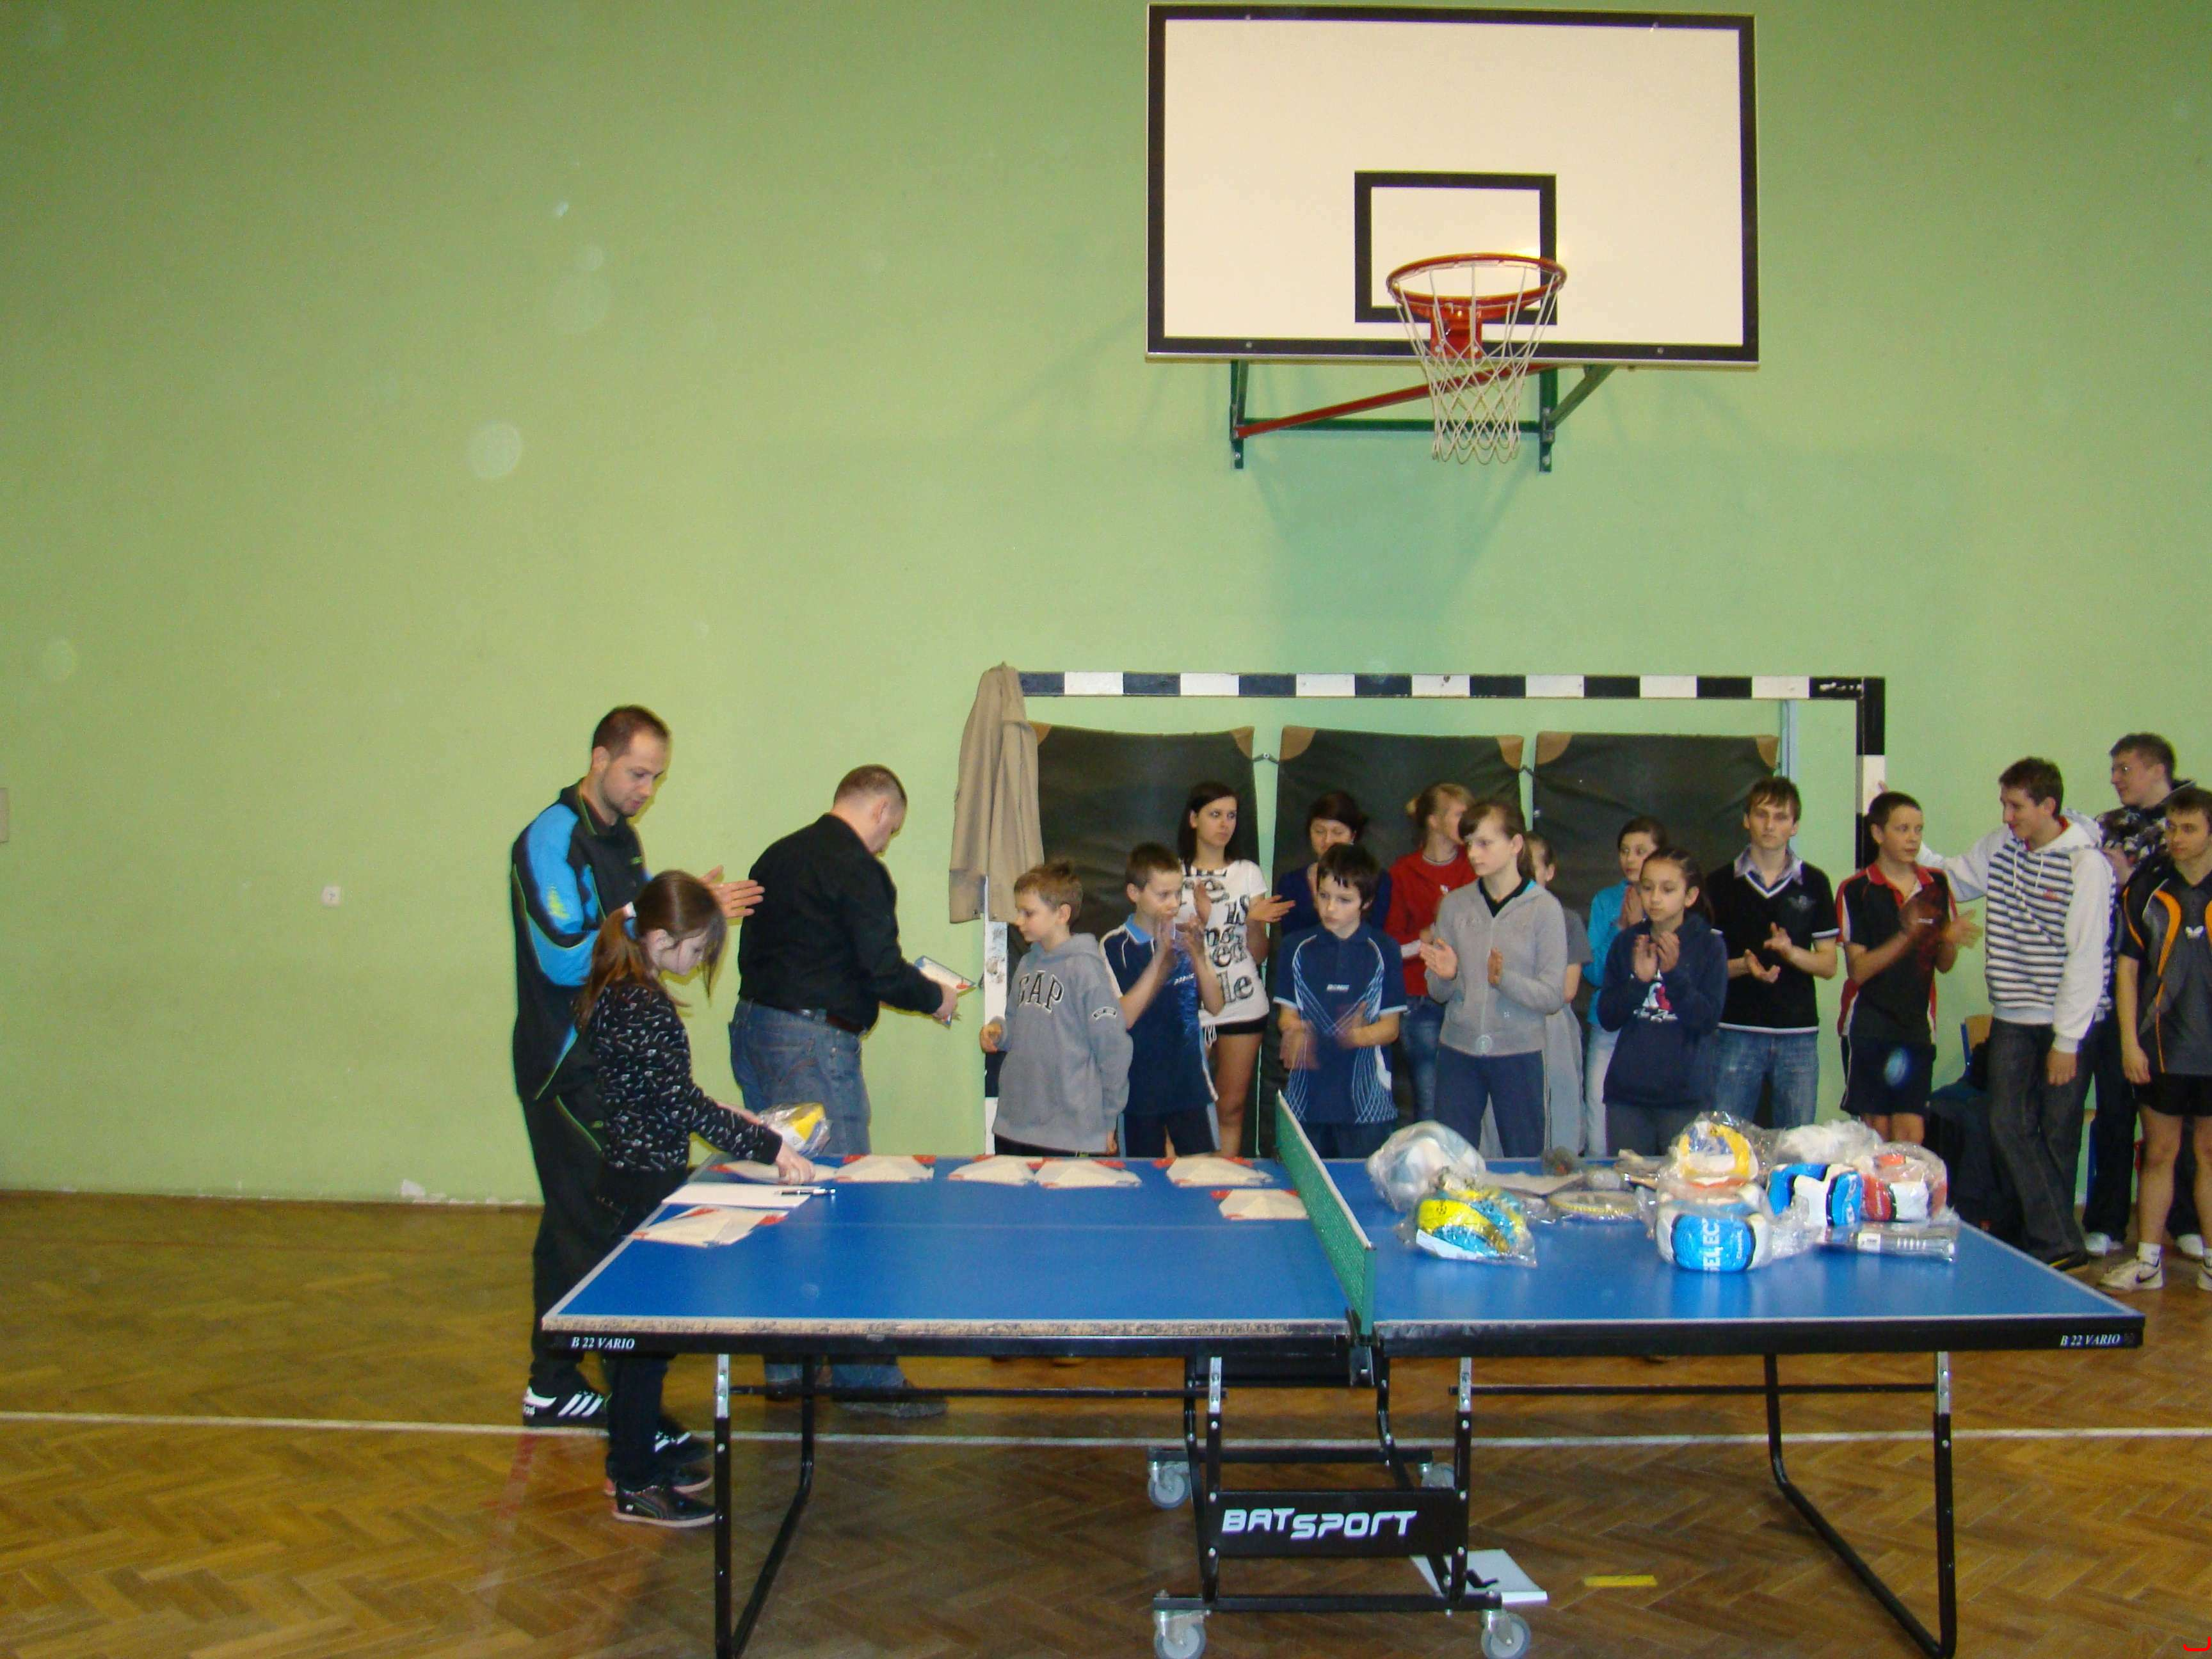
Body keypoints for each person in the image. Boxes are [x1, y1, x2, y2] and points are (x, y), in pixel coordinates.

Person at [509, 705, 758, 1429]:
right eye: (638, 774)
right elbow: (563, 956)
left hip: (609, 1061)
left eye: (656, 778)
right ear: (600, 759)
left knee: (580, 1218)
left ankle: (564, 1384)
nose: (647, 790)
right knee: (598, 1222)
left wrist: (679, 918)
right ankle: (615, 1413)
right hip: (566, 1068)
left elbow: (635, 937)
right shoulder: (550, 838)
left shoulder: (625, 838)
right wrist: (655, 920)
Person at [577, 871, 815, 1526]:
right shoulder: (641, 1005)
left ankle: (633, 1459)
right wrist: (767, 1146)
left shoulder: (625, 990)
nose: (702, 959)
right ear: (661, 940)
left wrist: (734, 1115)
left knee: (643, 1347)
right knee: (644, 1348)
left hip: (636, 1179)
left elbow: (665, 1094)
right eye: (699, 948)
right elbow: (679, 1104)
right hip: (640, 1189)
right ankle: (633, 1481)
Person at [730, 764, 959, 1416]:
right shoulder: (859, 869)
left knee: (785, 1200)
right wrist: (936, 997)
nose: (886, 843)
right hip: (812, 1047)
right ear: (881, 809)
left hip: (755, 1031)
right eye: (892, 829)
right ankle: (864, 1379)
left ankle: (789, 1366)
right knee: (843, 1205)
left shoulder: (779, 854)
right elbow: (881, 970)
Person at [1930, 758, 2112, 1269]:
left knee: (2057, 1134)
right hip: (2012, 1015)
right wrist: (1907, 847)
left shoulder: (2086, 865)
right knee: (2007, 1122)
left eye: (2016, 807)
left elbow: (2086, 957)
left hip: (2066, 1022)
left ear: (2048, 806)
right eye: (2004, 805)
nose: (2007, 817)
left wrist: (2067, 1041)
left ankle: (2047, 1245)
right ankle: (2057, 1241)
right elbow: (1952, 878)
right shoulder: (2001, 847)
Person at [2082, 733, 2200, 1261]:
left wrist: (2129, 879)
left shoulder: (2194, 821)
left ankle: (2185, 1222)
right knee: (2115, 1109)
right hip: (2122, 995)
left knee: (2187, 1124)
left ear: (2158, 770)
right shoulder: (2108, 828)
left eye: (2125, 769)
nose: (2115, 778)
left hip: (2184, 1004)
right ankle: (2108, 1222)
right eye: (2114, 769)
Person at [2101, 786, 2212, 1293]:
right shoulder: (2147, 886)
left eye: (2189, 829)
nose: (2177, 838)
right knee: (2159, 1152)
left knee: (2209, 1155)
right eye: (2172, 828)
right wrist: (2129, 1042)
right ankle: (2148, 1263)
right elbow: (2126, 971)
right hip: (2160, 1046)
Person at [1418, 799, 1568, 1158]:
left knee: (1524, 1158)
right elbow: (1438, 991)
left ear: (1515, 844)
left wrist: (1504, 980)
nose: (1473, 853)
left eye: (1485, 843)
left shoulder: (1544, 908)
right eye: (1470, 843)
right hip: (1458, 1051)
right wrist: (1447, 975)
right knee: (1453, 1160)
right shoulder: (1455, 905)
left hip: (1518, 1053)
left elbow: (1552, 996)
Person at [1836, 792, 1979, 1143]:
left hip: (1916, 1025)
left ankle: (1910, 1184)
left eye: (1918, 830)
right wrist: (1906, 935)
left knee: (1911, 1133)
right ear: (1878, 833)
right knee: (1877, 1133)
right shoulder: (1856, 890)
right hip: (1869, 1023)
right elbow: (1858, 971)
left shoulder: (1937, 885)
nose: (1913, 838)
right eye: (1902, 829)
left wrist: (1949, 940)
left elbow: (1944, 965)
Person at [1705, 778, 1839, 1130]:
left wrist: (1791, 953)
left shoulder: (1815, 882)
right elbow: (1707, 968)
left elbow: (1828, 965)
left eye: (1780, 817)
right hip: (1735, 1030)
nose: (1769, 825)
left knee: (1796, 1144)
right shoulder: (1719, 883)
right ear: (1746, 819)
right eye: (1761, 815)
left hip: (1797, 1034)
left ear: (1795, 826)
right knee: (1726, 1140)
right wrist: (1745, 966)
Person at [979, 862, 1134, 1156]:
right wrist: (999, 1032)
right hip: (1015, 1124)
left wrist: (1109, 1118)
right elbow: (1015, 1025)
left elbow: (1113, 1047)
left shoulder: (1086, 970)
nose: (1019, 920)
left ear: (1062, 914)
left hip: (1068, 1132)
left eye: (1029, 913)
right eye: (1018, 911)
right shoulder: (1027, 964)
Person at [1275, 844, 1408, 1158]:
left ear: (1367, 902)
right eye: (1324, 896)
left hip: (1367, 1105)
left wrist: (1355, 1036)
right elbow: (1286, 1016)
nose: (1330, 908)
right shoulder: (1295, 947)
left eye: (1344, 900)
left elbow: (1390, 1028)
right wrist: (1294, 1031)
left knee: (1362, 1186)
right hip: (1306, 1100)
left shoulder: (1384, 949)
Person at [1180, 781, 1290, 1157]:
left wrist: (1253, 922)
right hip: (1188, 1004)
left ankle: (1225, 1180)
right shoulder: (1174, 872)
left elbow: (1257, 953)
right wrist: (1216, 917)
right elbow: (1169, 942)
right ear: (1194, 819)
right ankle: (1180, 1184)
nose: (1224, 824)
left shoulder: (1248, 872)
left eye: (1231, 816)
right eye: (1215, 815)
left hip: (1242, 1002)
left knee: (1231, 1107)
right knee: (1183, 1110)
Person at [1596, 847, 1728, 1155]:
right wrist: (1638, 983)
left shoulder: (1709, 946)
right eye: (1647, 888)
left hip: (1684, 1097)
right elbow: (1608, 1016)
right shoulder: (1628, 942)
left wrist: (1673, 975)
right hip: (1628, 1096)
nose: (1655, 898)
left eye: (1668, 890)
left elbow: (1707, 1020)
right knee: (1628, 1178)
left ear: (1690, 896)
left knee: (1683, 1180)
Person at [1103, 844, 1222, 1158]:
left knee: (1202, 1175)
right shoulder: (1115, 946)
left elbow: (1216, 1005)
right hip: (1139, 1090)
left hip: (1190, 1086)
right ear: (1134, 893)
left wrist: (1199, 955)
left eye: (1178, 893)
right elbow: (1124, 1017)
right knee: (1142, 1178)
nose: (1174, 903)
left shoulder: (1187, 936)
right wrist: (1161, 962)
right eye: (1163, 895)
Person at [1383, 783, 1480, 1122]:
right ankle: (1430, 1153)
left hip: (1468, 996)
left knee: (1468, 1095)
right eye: (1460, 815)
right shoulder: (1403, 872)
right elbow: (1392, 947)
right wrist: (1430, 931)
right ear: (1434, 821)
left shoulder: (1475, 868)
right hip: (1420, 999)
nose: (1468, 823)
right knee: (1431, 1096)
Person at [1583, 817, 1665, 1162]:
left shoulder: (1670, 900)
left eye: (1641, 851)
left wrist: (1644, 925)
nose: (1630, 859)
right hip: (1608, 1027)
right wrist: (1622, 928)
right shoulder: (1606, 900)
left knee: (1652, 1131)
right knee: (1599, 1132)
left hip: (1657, 1027)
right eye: (1625, 851)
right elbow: (1594, 972)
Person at [1525, 833, 1593, 1153]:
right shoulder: (1492, 919)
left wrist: (1515, 986)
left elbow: (1566, 990)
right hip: (1504, 1025)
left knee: (1561, 1106)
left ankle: (1562, 1163)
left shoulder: (1567, 920)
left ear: (1549, 872)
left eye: (1532, 868)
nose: (1523, 876)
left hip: (1553, 1026)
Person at [1274, 791, 1393, 935]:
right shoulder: (1291, 882)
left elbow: (1374, 933)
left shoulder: (1378, 880)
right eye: (1319, 831)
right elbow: (1290, 938)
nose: (1328, 840)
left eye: (1338, 832)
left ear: (1353, 835)